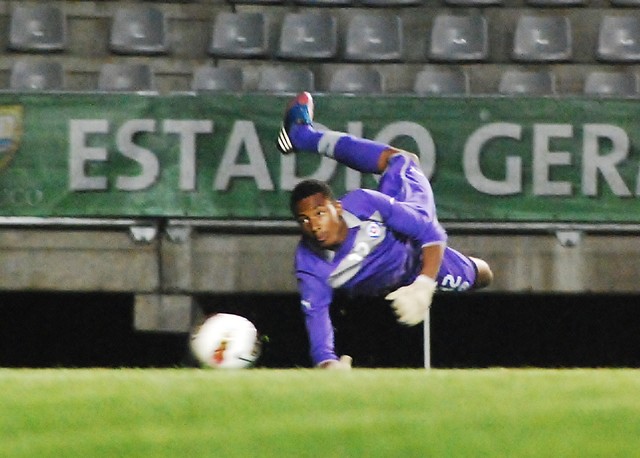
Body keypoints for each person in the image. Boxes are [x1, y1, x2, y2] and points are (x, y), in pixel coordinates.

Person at [277, 92, 493, 369]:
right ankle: (302, 135)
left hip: (416, 253)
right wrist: (328, 365)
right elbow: (317, 320)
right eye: (304, 220)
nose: (314, 225)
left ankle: (303, 136)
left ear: (338, 208)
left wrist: (425, 284)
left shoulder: (364, 204)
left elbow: (431, 233)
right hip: (388, 277)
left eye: (319, 213)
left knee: (402, 160)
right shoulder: (309, 262)